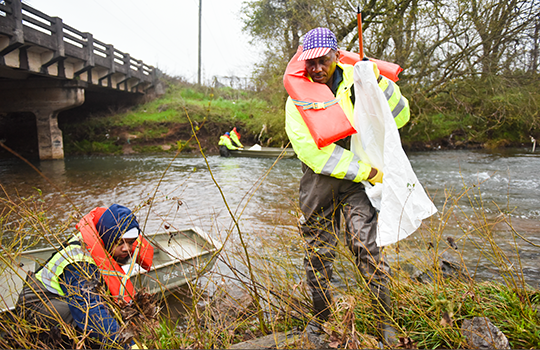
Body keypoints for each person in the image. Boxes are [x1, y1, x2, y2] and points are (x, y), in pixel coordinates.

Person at [284, 27, 409, 347]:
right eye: (309, 63)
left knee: (366, 246)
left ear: (337, 57)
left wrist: (382, 86)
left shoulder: (362, 79)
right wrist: (366, 171)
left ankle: (387, 321)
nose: (315, 70)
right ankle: (320, 321)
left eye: (322, 61)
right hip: (320, 182)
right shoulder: (296, 98)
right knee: (318, 253)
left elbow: (401, 116)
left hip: (356, 186)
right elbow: (314, 154)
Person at [15, 204, 154, 349]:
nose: (127, 248)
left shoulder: (102, 246)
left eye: (131, 243)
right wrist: (127, 345)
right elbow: (90, 313)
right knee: (85, 322)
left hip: (59, 298)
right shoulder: (79, 263)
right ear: (107, 237)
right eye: (119, 242)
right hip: (35, 306)